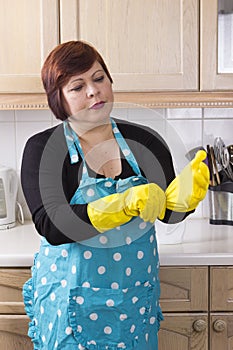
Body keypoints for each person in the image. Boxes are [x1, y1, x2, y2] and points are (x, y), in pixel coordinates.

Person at [21, 40, 209, 350]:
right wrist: (122, 203)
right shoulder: (44, 149)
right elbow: (51, 225)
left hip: (133, 301)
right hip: (69, 303)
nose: (93, 91)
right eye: (77, 87)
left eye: (98, 78)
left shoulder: (144, 141)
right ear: (59, 100)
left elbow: (165, 212)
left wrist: (184, 198)